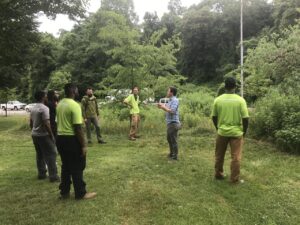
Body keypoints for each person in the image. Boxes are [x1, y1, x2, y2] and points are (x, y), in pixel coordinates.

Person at [56, 83, 96, 200]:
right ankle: (80, 193)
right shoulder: (74, 105)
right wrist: (83, 145)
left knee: (66, 166)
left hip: (60, 138)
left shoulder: (60, 104)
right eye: (77, 90)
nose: (78, 91)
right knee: (77, 166)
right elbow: (78, 128)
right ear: (73, 91)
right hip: (71, 139)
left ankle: (64, 192)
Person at [211, 77, 249, 184]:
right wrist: (244, 132)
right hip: (237, 133)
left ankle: (218, 174)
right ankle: (234, 179)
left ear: (224, 86)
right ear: (235, 87)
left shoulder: (218, 100)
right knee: (236, 157)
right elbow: (246, 118)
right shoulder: (240, 100)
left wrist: (218, 128)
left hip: (222, 132)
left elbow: (214, 117)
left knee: (219, 155)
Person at [30, 90, 60, 182]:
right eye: (46, 95)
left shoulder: (33, 108)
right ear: (43, 97)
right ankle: (53, 176)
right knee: (51, 154)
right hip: (43, 135)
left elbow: (30, 122)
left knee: (39, 154)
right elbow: (47, 123)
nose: (47, 97)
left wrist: (33, 130)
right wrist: (51, 135)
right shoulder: (44, 108)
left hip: (34, 134)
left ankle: (41, 173)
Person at [158, 87, 181, 160]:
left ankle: (175, 156)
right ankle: (172, 153)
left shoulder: (175, 100)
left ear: (171, 92)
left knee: (173, 139)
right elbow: (166, 108)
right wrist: (160, 106)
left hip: (173, 123)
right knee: (169, 139)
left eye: (168, 91)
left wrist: (162, 107)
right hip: (170, 123)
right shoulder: (170, 100)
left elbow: (172, 111)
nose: (167, 92)